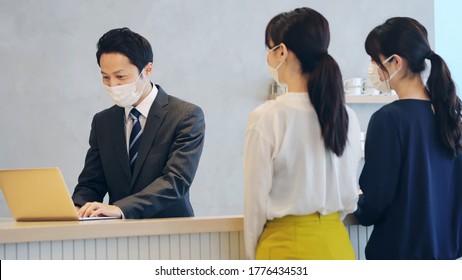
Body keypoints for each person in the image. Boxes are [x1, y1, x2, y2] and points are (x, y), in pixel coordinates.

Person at [243, 7, 361, 260]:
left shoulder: (268, 116)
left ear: (282, 51)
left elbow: (255, 204)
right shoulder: (347, 117)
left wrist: (252, 258)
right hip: (338, 245)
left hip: (287, 247)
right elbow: (350, 195)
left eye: (270, 48)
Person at [354, 17, 462, 259]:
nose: (372, 67)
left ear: (395, 62)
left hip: (401, 256)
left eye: (374, 59)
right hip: (446, 255)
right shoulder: (451, 115)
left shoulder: (389, 119)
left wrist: (358, 205)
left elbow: (375, 201)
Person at [72, 27, 205, 219]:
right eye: (105, 77)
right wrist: (77, 207)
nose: (113, 85)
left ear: (147, 69)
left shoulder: (186, 115)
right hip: (118, 236)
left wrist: (121, 209)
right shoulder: (103, 122)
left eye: (121, 76)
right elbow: (91, 183)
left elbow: (176, 181)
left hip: (172, 232)